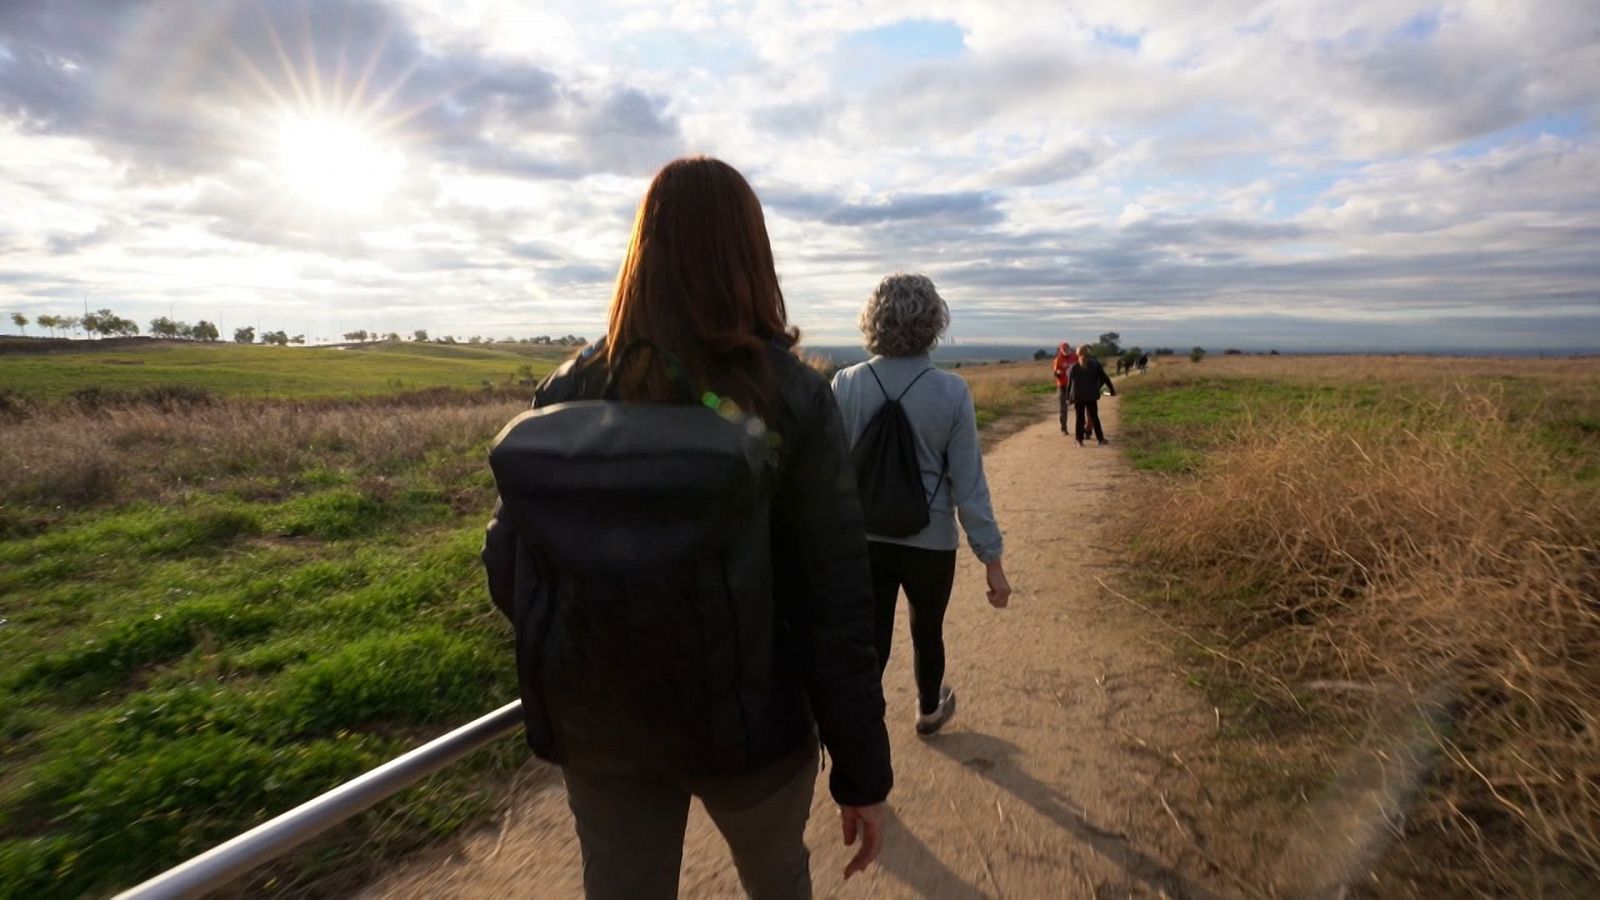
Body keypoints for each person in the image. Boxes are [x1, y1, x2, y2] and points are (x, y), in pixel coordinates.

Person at [482, 157, 892, 899]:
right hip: (753, 730)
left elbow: (508, 565)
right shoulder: (792, 395)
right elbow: (835, 602)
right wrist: (862, 773)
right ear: (751, 256)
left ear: (642, 254)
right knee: (776, 880)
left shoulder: (571, 386)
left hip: (601, 726)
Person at [831, 273, 1012, 738]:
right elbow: (969, 485)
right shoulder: (951, 392)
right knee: (926, 630)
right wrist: (991, 560)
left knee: (869, 639)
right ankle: (929, 710)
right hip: (929, 542)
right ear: (933, 323)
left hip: (863, 537)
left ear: (872, 321)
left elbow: (828, 476)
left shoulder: (845, 384)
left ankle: (863, 730)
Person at [1065, 343, 1116, 446]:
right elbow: (1105, 378)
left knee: (1080, 419)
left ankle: (1079, 440)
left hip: (1078, 397)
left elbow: (1069, 384)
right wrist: (1112, 390)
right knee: (1094, 417)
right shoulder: (1095, 365)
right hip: (1091, 395)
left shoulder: (1073, 367)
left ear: (1077, 354)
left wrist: (1067, 398)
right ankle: (1100, 439)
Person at [1051, 341, 1078, 435]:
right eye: (1064, 350)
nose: (1066, 351)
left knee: (1079, 406)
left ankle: (1082, 427)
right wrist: (1058, 373)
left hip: (1075, 386)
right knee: (1063, 408)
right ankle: (1064, 428)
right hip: (1063, 386)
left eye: (1067, 349)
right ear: (1061, 350)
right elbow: (1055, 372)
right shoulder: (1058, 360)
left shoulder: (1075, 357)